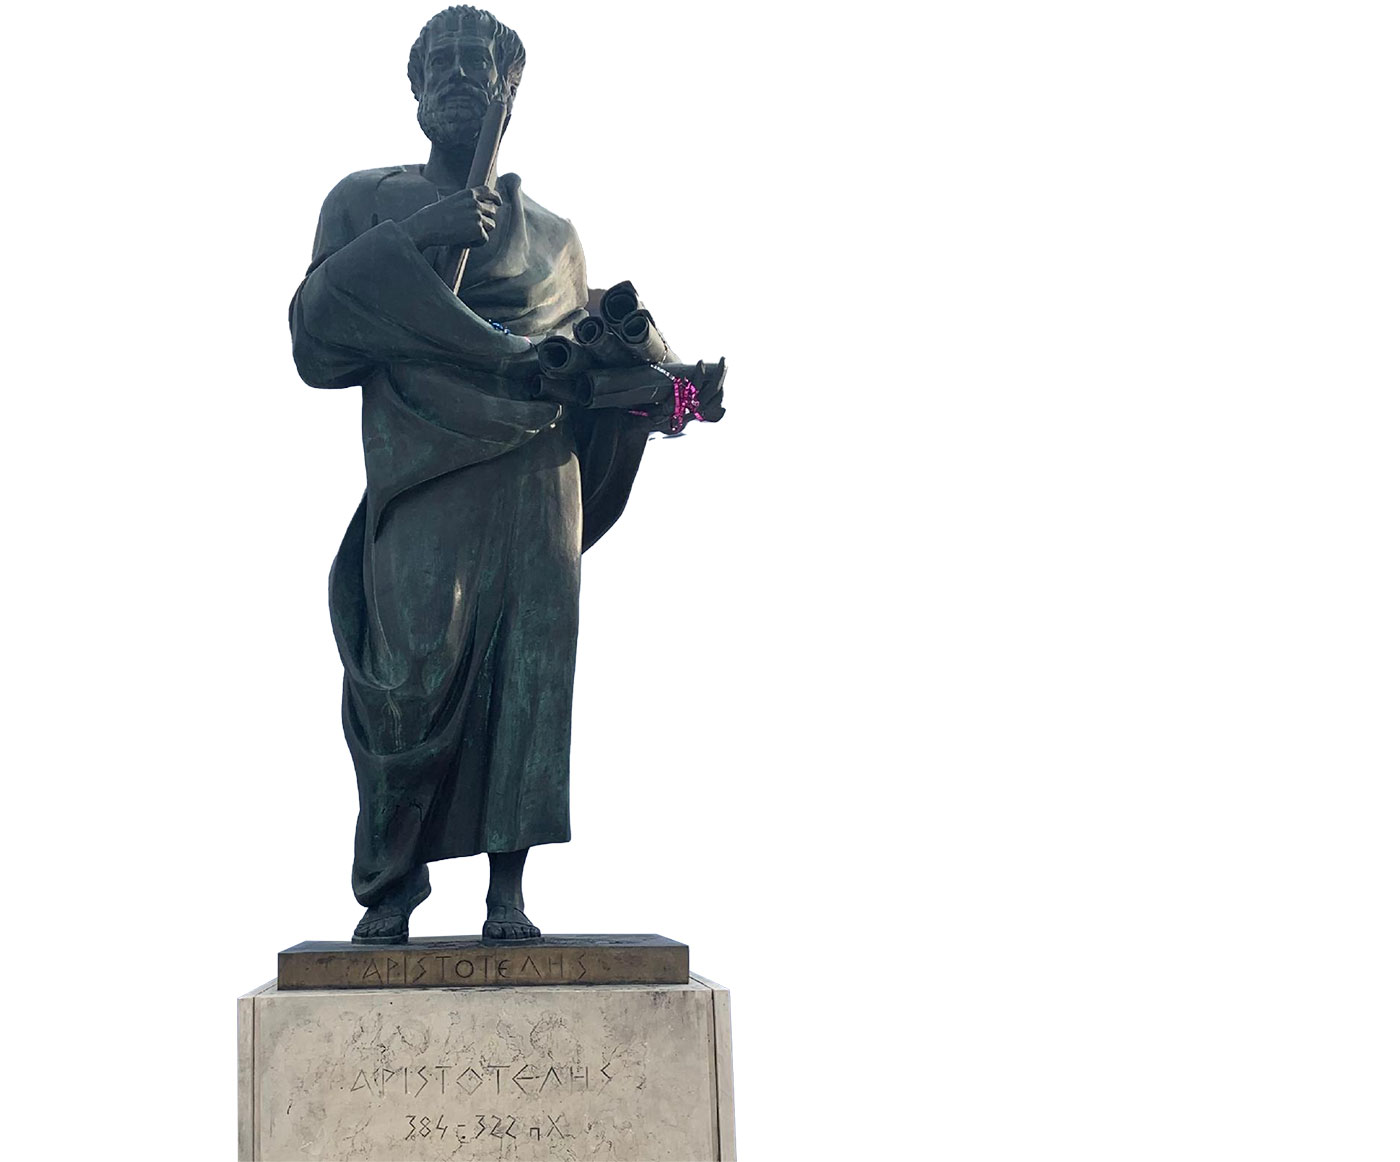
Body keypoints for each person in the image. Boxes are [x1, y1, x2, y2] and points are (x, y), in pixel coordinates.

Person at [289, 5, 662, 943]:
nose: (458, 75)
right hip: (426, 473)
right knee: (409, 674)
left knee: (527, 677)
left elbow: (581, 355)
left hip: (536, 472)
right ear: (415, 90)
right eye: (440, 62)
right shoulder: (363, 201)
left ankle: (509, 893)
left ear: (509, 87)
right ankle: (391, 884)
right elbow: (315, 337)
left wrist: (661, 378)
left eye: (478, 62)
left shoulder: (555, 237)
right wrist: (423, 234)